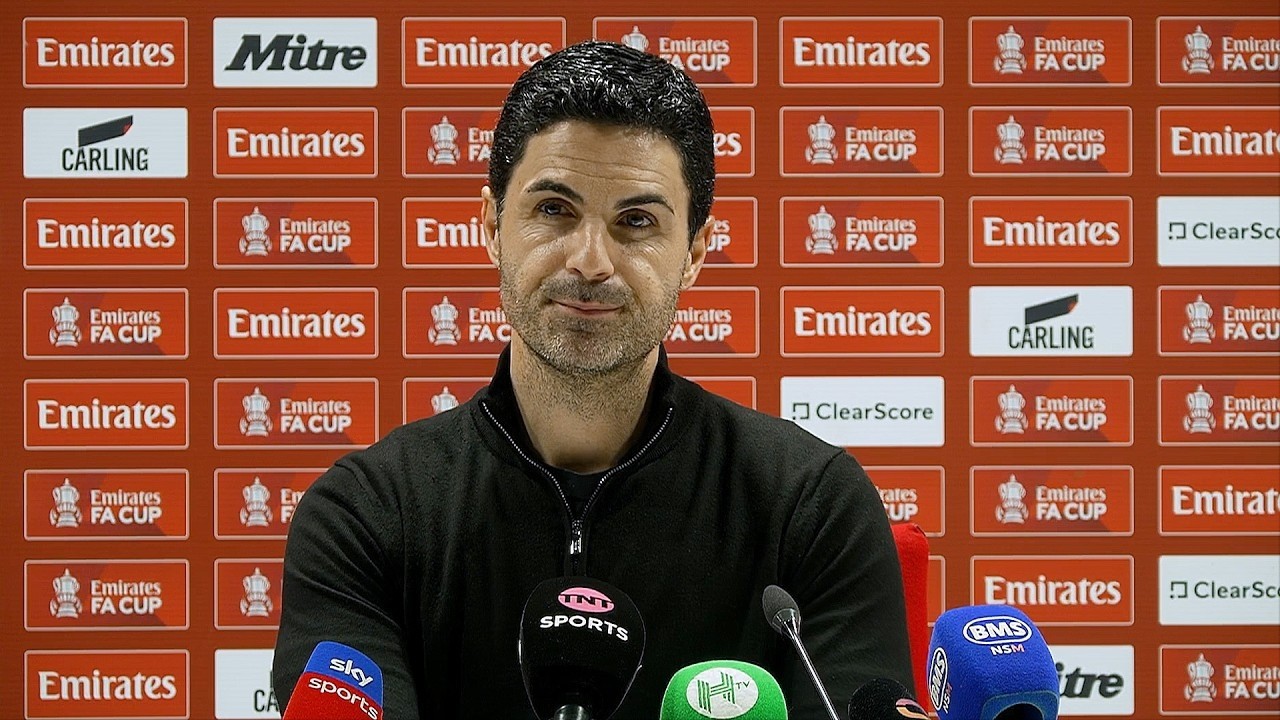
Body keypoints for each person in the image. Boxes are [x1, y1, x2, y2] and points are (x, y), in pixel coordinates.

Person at [273, 40, 912, 718]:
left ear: (694, 253)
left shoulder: (811, 506)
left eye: (636, 221)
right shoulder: (365, 516)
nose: (590, 260)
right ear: (491, 226)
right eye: (554, 209)